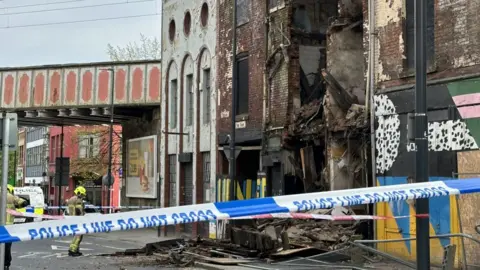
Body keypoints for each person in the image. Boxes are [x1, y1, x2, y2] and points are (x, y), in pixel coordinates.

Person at [5, 184, 28, 270]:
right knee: (6, 248)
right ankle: (6, 265)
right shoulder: (11, 197)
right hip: (7, 228)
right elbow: (24, 203)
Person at [67, 186, 86, 257]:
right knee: (78, 236)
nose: (83, 196)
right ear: (79, 193)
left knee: (76, 235)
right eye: (82, 194)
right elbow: (79, 211)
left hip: (72, 219)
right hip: (78, 220)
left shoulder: (71, 199)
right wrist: (82, 217)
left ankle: (74, 249)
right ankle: (73, 250)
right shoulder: (78, 200)